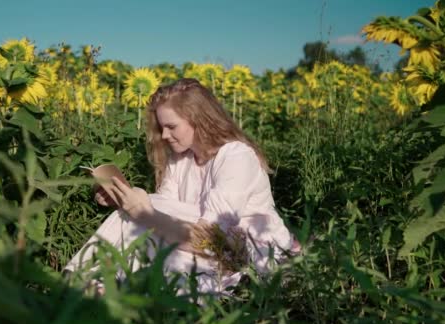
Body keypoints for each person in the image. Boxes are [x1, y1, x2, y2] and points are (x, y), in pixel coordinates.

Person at [64, 78, 297, 294]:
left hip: (245, 250)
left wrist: (143, 211)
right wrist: (123, 198)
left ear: (199, 120)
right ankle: (96, 281)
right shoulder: (181, 159)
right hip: (200, 245)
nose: (164, 135)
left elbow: (209, 241)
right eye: (161, 127)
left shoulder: (236, 156)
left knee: (148, 211)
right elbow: (167, 217)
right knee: (144, 217)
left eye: (171, 126)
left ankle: (81, 277)